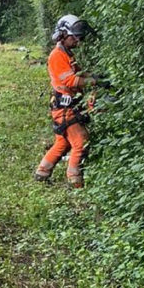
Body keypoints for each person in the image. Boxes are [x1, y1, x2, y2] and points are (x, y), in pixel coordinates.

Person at [33, 14, 100, 188]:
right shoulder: (57, 56)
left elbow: (78, 73)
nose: (78, 41)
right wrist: (92, 82)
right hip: (64, 108)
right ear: (63, 35)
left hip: (66, 105)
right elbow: (70, 81)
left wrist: (95, 76)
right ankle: (75, 181)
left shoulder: (67, 54)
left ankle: (42, 172)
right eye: (75, 37)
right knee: (81, 141)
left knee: (62, 143)